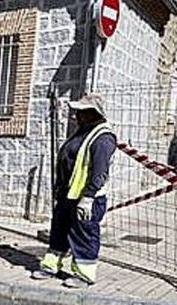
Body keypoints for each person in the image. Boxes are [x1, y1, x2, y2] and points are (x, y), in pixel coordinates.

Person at [32, 93, 117, 288]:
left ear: (92, 114)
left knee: (84, 233)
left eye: (79, 112)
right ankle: (51, 266)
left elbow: (99, 172)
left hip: (86, 198)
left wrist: (88, 197)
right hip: (68, 194)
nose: (74, 115)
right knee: (59, 231)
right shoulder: (83, 131)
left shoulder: (103, 138)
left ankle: (84, 274)